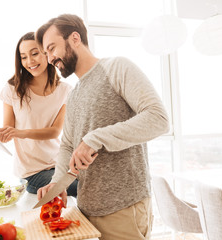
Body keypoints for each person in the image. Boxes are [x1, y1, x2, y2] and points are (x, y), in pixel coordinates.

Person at [35, 14, 169, 240]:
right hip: (86, 210)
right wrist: (57, 183)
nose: (49, 59)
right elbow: (67, 145)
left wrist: (95, 138)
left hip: (123, 209)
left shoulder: (117, 67)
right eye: (46, 53)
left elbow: (158, 119)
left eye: (52, 48)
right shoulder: (74, 94)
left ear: (75, 38)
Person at [0, 32, 77, 196]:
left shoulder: (65, 90)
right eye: (23, 57)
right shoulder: (13, 88)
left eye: (34, 54)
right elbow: (8, 131)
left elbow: (54, 131)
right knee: (83, 187)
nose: (29, 61)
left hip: (60, 165)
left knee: (94, 178)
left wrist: (20, 133)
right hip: (33, 174)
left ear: (47, 53)